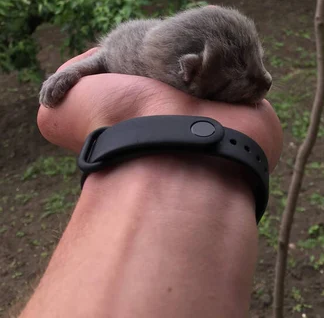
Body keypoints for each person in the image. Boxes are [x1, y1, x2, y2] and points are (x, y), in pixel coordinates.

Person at [19, 49, 283, 318]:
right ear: (189, 71)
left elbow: (55, 111)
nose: (268, 78)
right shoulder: (133, 52)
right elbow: (103, 58)